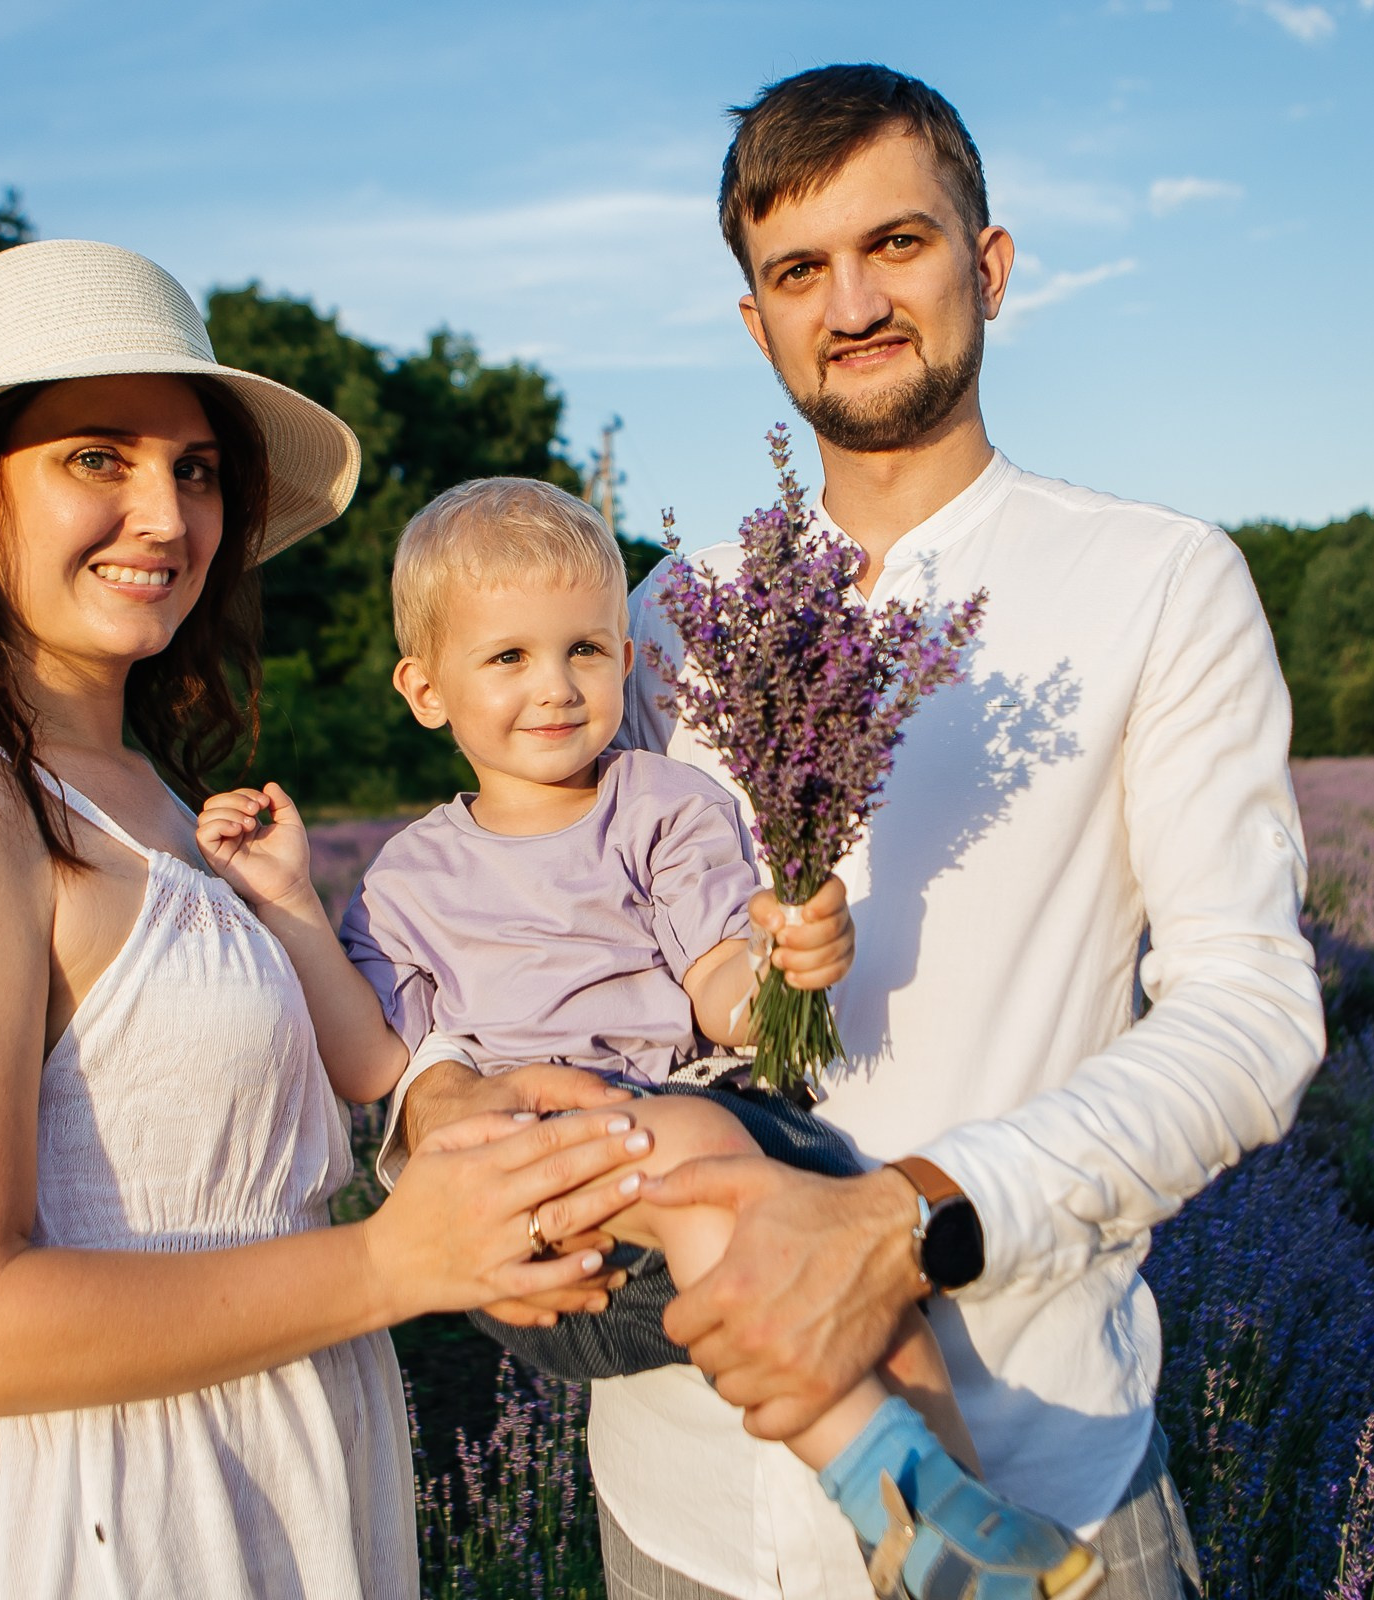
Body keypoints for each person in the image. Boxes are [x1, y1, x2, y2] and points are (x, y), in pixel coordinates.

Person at [389, 64, 1326, 1600]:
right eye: (798, 270)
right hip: (682, 1489)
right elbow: (510, 896)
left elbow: (1249, 1010)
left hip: (1036, 1457)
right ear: (756, 322)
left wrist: (910, 1219)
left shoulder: (1157, 583)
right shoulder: (655, 621)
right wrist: (438, 1100)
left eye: (897, 243)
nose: (854, 301)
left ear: (991, 264)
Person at [0, 238, 654, 1599]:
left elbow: (236, 1138)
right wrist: (392, 1262)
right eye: (96, 458)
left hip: (282, 1479)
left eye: (193, 468)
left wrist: (439, 1107)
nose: (166, 513)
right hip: (106, 1528)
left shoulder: (163, 805)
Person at [193, 476, 1102, 1600]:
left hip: (720, 1132)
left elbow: (719, 985)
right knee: (699, 1157)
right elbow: (376, 1065)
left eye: (585, 649)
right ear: (425, 691)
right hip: (549, 1223)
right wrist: (286, 900)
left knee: (864, 1266)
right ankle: (879, 1473)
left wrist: (783, 962)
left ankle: (956, 1529)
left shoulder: (663, 803)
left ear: (628, 660)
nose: (556, 687)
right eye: (509, 658)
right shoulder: (411, 879)